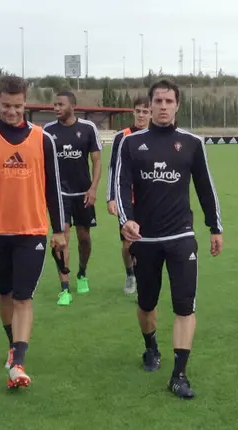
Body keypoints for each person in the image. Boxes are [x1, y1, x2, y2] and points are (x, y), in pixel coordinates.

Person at [115, 79, 223, 399]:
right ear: (149, 106)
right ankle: (151, 347)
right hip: (145, 240)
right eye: (157, 101)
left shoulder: (191, 143)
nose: (163, 106)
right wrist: (126, 219)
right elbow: (120, 187)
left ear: (177, 105)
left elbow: (206, 188)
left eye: (168, 101)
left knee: (184, 306)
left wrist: (215, 228)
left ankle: (179, 374)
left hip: (182, 237)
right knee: (146, 304)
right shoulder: (132, 144)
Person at [0, 75, 66, 387]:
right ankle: (13, 344)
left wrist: (60, 230)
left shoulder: (42, 139)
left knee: (24, 295)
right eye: (6, 105)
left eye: (18, 106)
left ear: (26, 104)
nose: (12, 111)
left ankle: (18, 361)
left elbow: (54, 189)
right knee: (5, 293)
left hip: (32, 230)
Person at [43, 92, 102, 306]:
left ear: (72, 106)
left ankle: (82, 273)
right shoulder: (48, 131)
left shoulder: (88, 129)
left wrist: (93, 189)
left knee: (84, 238)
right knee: (62, 239)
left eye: (61, 104)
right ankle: (65, 288)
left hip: (83, 193)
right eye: (54, 104)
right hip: (59, 194)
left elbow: (96, 161)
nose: (56, 107)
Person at [107, 96, 151, 295]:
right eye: (138, 111)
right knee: (128, 243)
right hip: (127, 200)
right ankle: (130, 275)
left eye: (145, 111)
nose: (141, 115)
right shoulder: (122, 136)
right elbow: (112, 169)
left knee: (146, 243)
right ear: (133, 112)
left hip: (150, 200)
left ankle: (143, 279)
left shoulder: (155, 136)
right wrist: (111, 197)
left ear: (151, 113)